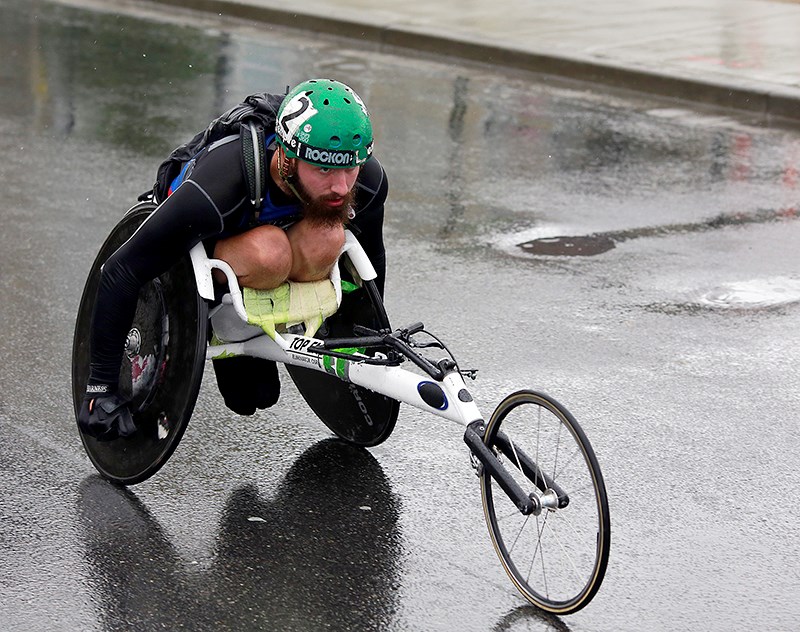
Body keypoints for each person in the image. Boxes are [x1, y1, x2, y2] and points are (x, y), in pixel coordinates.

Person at [78, 78, 388, 441]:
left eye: (349, 170)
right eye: (323, 170)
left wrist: (372, 339)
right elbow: (120, 270)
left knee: (330, 238)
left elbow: (371, 259)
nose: (340, 186)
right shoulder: (221, 184)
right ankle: (231, 325)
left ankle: (259, 322)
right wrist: (99, 386)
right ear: (287, 159)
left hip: (273, 255)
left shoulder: (363, 181)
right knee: (270, 251)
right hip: (209, 249)